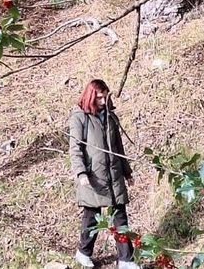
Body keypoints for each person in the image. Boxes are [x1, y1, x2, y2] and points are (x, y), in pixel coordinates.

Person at [68, 79, 139, 269]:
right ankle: (83, 252)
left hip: (114, 174)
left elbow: (118, 147)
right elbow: (75, 149)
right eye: (99, 97)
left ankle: (126, 259)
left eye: (105, 97)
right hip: (94, 177)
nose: (102, 101)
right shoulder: (79, 118)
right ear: (91, 96)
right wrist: (81, 173)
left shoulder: (110, 116)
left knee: (120, 217)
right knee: (92, 217)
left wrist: (127, 172)